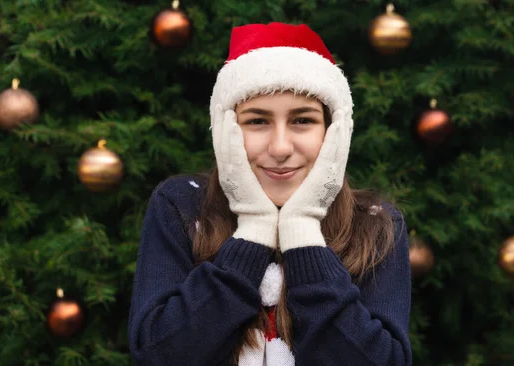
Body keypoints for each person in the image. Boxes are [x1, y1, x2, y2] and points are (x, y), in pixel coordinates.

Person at [128, 22, 412, 365]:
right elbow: (157, 354)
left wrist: (304, 234)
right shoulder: (183, 207)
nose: (280, 148)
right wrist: (254, 231)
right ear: (224, 130)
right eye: (257, 121)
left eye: (302, 120)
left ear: (335, 134)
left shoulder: (377, 224)